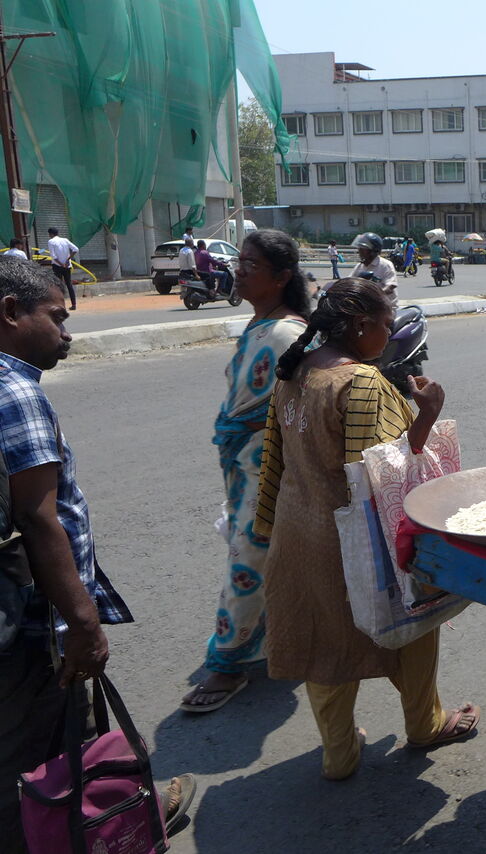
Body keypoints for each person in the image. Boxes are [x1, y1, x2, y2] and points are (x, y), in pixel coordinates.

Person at [0, 259, 194, 847]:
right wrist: (82, 624)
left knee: (54, 737)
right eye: (55, 317)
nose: (66, 333)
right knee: (44, 751)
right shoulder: (15, 392)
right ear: (10, 313)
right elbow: (39, 519)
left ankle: (113, 810)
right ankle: (93, 823)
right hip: (33, 625)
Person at [255, 279, 479, 781]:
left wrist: (267, 527)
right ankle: (426, 724)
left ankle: (339, 755)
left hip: (299, 533)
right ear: (360, 325)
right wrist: (429, 414)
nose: (389, 333)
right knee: (415, 625)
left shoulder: (294, 372)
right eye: (386, 324)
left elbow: (274, 460)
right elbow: (385, 471)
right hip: (353, 539)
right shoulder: (361, 383)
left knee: (323, 645)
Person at [180, 231, 311, 714]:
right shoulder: (260, 325)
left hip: (268, 470)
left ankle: (228, 663)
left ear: (281, 277)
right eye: (242, 262)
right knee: (261, 557)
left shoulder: (287, 333)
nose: (239, 270)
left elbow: (300, 406)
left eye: (251, 265)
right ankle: (275, 639)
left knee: (246, 561)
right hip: (243, 464)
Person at [350, 232, 398, 309]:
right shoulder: (360, 266)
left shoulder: (385, 265)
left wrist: (373, 296)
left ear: (373, 250)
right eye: (359, 247)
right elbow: (349, 281)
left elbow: (390, 286)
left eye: (363, 248)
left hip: (385, 308)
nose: (359, 250)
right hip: (366, 306)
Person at [44, 228, 78, 311]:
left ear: (51, 234)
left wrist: (61, 264)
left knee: (59, 286)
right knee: (69, 284)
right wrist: (68, 259)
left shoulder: (51, 241)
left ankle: (61, 305)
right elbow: (76, 249)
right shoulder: (65, 240)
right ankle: (74, 304)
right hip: (67, 266)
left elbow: (53, 256)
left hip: (57, 266)